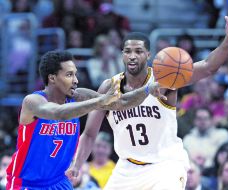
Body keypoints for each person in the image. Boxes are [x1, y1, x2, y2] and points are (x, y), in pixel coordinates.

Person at [67, 13, 228, 190]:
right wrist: (77, 164)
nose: (132, 56)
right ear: (122, 55)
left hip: (165, 165)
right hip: (127, 168)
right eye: (128, 51)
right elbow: (90, 134)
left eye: (138, 51)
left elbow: (208, 67)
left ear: (148, 55)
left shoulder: (166, 78)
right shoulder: (109, 87)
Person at [5, 50, 162, 190]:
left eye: (75, 74)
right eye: (69, 75)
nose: (76, 80)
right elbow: (58, 113)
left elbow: (121, 103)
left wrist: (147, 89)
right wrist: (99, 102)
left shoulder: (78, 96)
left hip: (60, 182)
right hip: (27, 184)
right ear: (52, 78)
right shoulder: (32, 102)